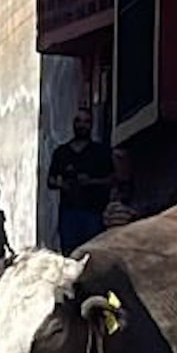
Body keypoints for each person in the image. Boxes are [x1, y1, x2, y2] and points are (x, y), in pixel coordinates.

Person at [47, 108, 114, 255]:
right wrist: (62, 184)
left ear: (91, 125)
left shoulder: (100, 152)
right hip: (69, 213)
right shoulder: (62, 153)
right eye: (78, 121)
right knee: (70, 256)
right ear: (73, 124)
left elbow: (111, 179)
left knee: (93, 255)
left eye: (86, 121)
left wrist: (91, 182)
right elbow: (50, 180)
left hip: (93, 212)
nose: (82, 125)